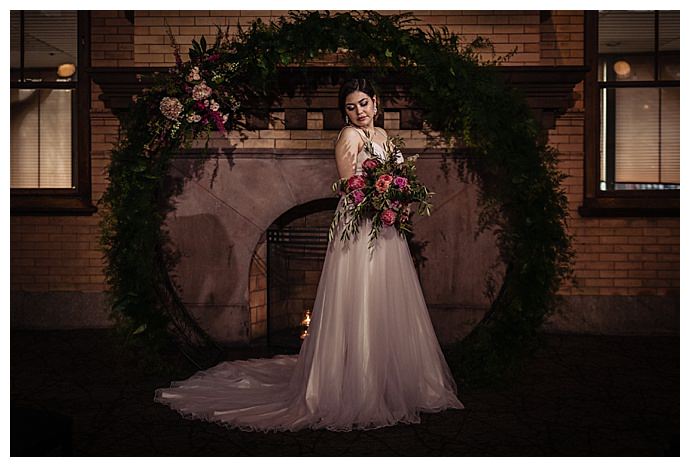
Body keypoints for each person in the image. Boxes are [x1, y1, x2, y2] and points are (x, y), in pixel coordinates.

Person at [154, 78, 464, 432]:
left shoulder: (385, 138)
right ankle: (355, 385)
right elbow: (351, 184)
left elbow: (395, 177)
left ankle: (390, 381)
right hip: (360, 224)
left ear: (376, 103)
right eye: (350, 107)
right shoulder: (349, 137)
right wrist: (381, 200)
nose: (358, 111)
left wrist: (401, 202)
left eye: (363, 103)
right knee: (360, 296)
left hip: (385, 228)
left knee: (385, 297)